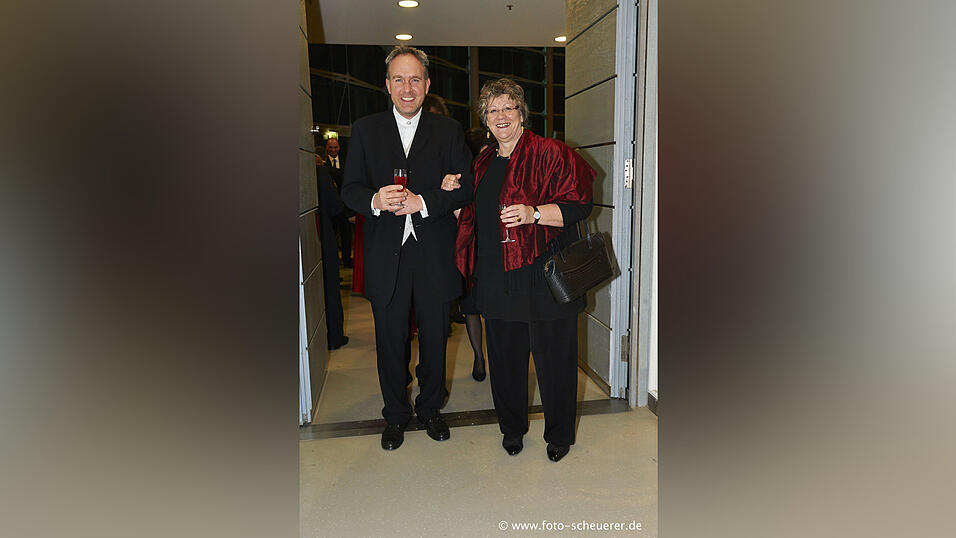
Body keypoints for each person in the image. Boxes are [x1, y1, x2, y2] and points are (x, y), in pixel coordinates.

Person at [448, 78, 595, 462]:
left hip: (543, 275)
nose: (500, 116)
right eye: (492, 110)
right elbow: (474, 213)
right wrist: (454, 194)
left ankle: (559, 434)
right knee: (505, 361)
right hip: (496, 276)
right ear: (484, 118)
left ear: (521, 113)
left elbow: (580, 203)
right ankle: (512, 428)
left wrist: (534, 213)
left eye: (507, 107)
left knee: (555, 361)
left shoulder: (551, 153)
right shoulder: (481, 161)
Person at [341, 45, 474, 451]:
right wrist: (376, 201)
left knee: (435, 340)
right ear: (387, 85)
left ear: (427, 83)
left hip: (432, 251)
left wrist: (427, 201)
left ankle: (431, 409)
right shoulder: (365, 129)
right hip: (387, 254)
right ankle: (396, 415)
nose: (407, 87)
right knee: (390, 342)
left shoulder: (448, 131)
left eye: (415, 78)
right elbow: (349, 189)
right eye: (398, 79)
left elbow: (466, 186)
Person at [315, 153, 348, 350]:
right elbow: (336, 207)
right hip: (323, 238)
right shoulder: (320, 173)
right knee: (330, 288)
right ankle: (334, 336)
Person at [325, 137, 354, 269]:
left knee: (347, 236)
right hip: (330, 208)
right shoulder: (322, 163)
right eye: (330, 147)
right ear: (326, 148)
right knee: (331, 239)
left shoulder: (346, 162)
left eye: (335, 147)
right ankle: (334, 264)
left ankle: (347, 261)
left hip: (345, 208)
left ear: (339, 148)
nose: (333, 150)